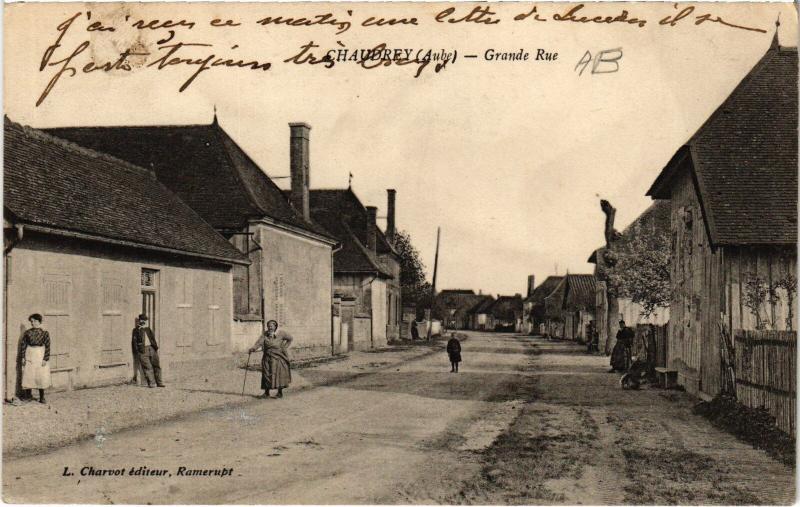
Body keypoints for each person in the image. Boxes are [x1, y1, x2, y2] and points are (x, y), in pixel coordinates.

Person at [249, 320, 293, 398]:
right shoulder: (265, 334)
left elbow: (290, 338)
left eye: (271, 326)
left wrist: (284, 347)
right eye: (268, 326)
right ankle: (266, 393)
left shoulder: (281, 333)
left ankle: (280, 393)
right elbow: (259, 343)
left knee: (278, 375)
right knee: (266, 374)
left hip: (278, 357)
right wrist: (253, 348)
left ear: (275, 327)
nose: (270, 328)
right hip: (267, 357)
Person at [20, 313, 51, 403]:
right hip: (30, 353)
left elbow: (48, 346)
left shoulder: (45, 333)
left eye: (34, 321)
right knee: (29, 374)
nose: (32, 323)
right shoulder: (27, 333)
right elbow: (23, 345)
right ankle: (28, 396)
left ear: (39, 322)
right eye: (31, 321)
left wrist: (45, 358)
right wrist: (23, 357)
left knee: (41, 375)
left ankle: (42, 397)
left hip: (40, 354)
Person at [131, 314, 164, 388]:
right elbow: (134, 342)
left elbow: (153, 339)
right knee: (148, 367)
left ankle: (159, 382)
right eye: (142, 320)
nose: (143, 321)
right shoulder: (136, 330)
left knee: (157, 366)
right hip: (143, 350)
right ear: (139, 321)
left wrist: (155, 348)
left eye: (145, 320)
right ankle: (152, 383)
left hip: (152, 349)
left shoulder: (148, 329)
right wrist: (138, 352)